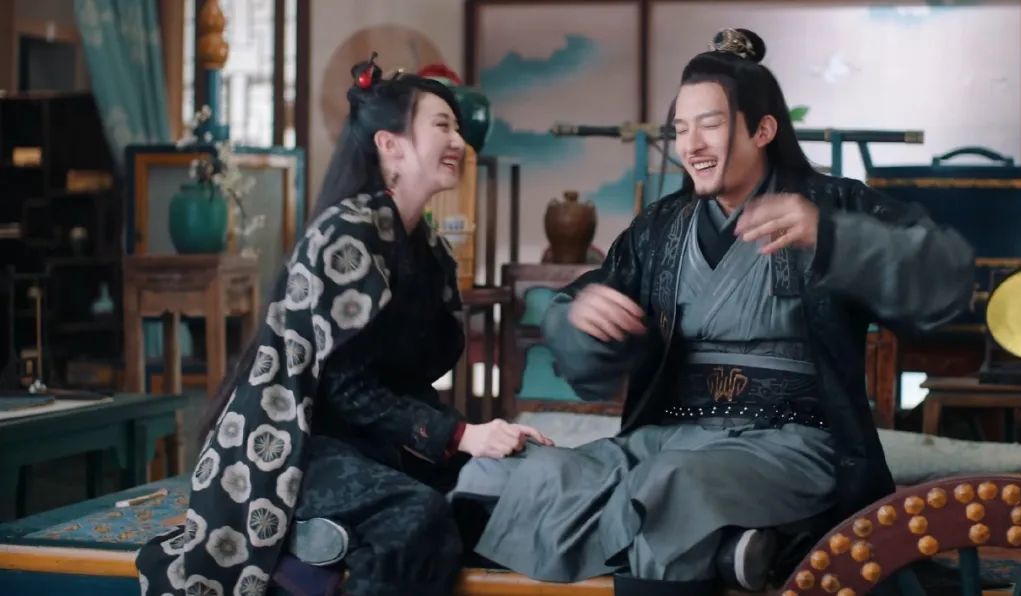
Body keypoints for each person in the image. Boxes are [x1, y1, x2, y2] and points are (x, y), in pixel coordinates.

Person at [450, 28, 975, 596]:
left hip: (795, 446)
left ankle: (749, 539)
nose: (692, 145)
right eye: (680, 129)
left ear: (762, 130)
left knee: (674, 488)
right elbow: (583, 335)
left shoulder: (833, 205)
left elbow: (947, 281)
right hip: (670, 439)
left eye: (711, 124)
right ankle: (737, 549)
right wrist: (580, 319)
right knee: (508, 473)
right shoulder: (659, 228)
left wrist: (834, 238)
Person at [136, 53, 552, 596]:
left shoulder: (427, 248)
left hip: (368, 439)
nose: (459, 142)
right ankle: (304, 549)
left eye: (457, 129)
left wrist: (483, 438)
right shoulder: (348, 234)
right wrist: (463, 435)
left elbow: (404, 383)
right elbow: (346, 390)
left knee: (495, 492)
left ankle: (325, 543)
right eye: (442, 126)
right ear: (390, 144)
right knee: (416, 516)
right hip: (294, 440)